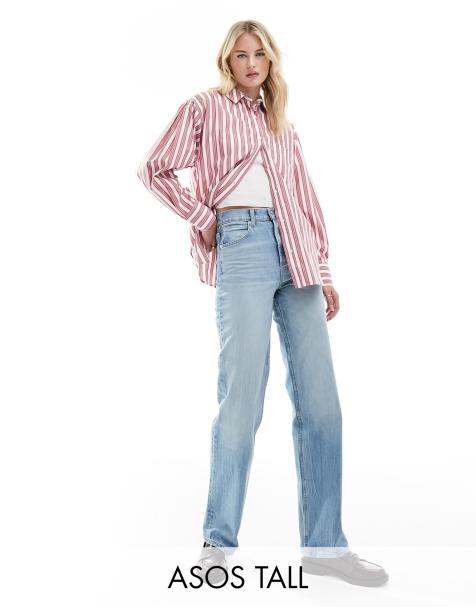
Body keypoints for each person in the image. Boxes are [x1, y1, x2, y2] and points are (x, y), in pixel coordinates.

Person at [137, 19, 389, 588]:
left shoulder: (283, 126)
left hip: (297, 254)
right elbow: (154, 169)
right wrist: (203, 218)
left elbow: (305, 199)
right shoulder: (204, 108)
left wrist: (323, 271)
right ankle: (217, 545)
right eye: (240, 55)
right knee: (242, 400)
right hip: (243, 244)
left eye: (260, 54)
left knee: (322, 404)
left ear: (271, 60)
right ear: (227, 62)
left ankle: (325, 548)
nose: (251, 64)